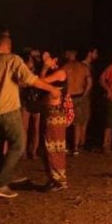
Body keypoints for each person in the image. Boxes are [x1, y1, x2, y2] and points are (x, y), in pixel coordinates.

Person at [0, 27, 62, 199]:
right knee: (18, 144)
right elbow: (30, 80)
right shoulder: (11, 59)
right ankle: (0, 183)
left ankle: (2, 176)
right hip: (7, 109)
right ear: (7, 46)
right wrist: (52, 89)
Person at [37, 51, 70, 191]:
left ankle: (60, 181)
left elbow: (39, 82)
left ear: (55, 59)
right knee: (48, 147)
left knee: (54, 147)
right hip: (50, 113)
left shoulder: (60, 73)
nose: (44, 59)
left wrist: (44, 68)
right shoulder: (53, 73)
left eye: (47, 56)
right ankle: (53, 178)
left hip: (55, 114)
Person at [62, 48, 93, 155]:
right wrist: (84, 94)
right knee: (78, 123)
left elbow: (61, 83)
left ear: (70, 53)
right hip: (80, 96)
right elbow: (89, 83)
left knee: (66, 122)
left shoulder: (65, 67)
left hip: (69, 97)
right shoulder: (83, 67)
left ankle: (65, 146)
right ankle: (76, 147)